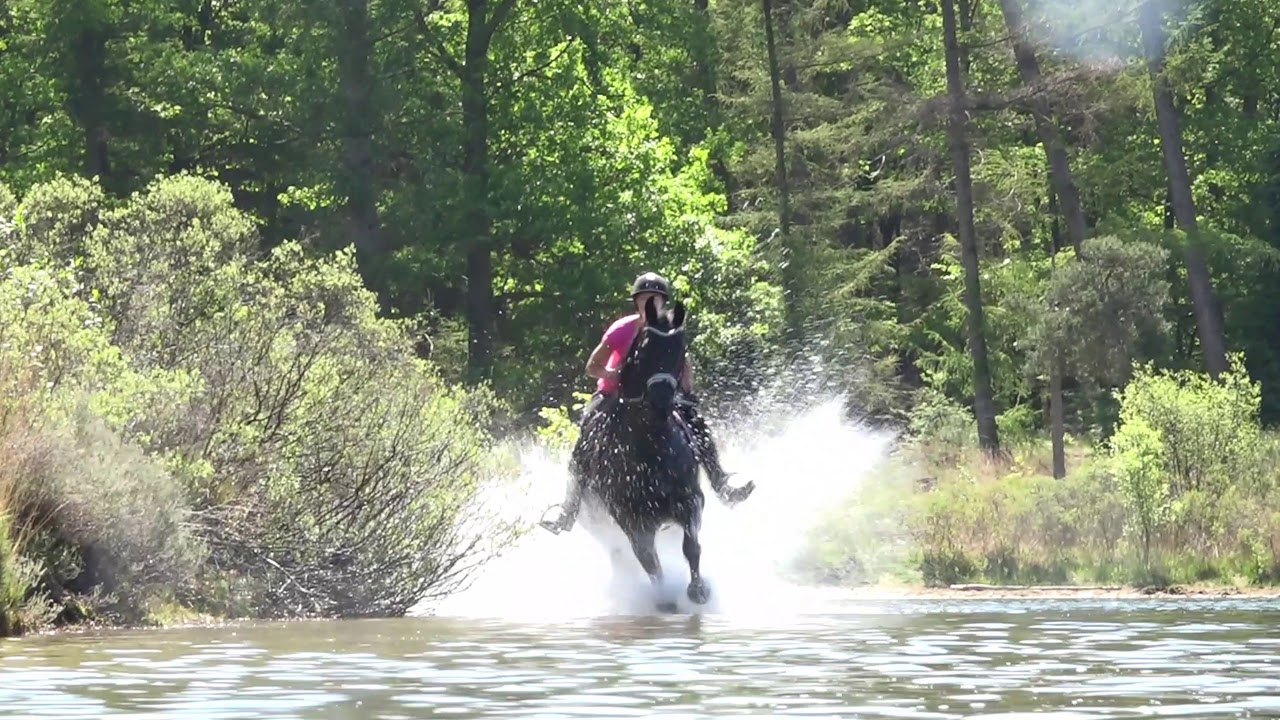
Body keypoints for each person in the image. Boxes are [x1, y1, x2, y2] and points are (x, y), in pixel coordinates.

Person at [540, 272, 735, 534]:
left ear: (663, 301)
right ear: (636, 302)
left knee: (695, 423)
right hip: (613, 395)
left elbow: (682, 361)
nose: (650, 303)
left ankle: (721, 483)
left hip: (658, 395)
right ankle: (568, 510)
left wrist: (687, 393)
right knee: (588, 435)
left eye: (655, 298)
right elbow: (592, 366)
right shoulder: (622, 329)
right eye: (644, 298)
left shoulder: (669, 327)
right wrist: (613, 374)